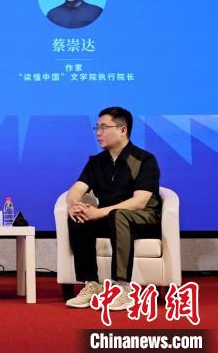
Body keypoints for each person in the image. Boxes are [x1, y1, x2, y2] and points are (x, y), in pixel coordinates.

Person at [65, 107, 162, 310]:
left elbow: (139, 202)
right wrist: (74, 205)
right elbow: (77, 189)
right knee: (79, 217)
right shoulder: (96, 162)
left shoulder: (144, 160)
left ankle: (123, 288)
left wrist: (99, 212)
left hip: (143, 219)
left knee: (119, 215)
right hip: (110, 219)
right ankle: (91, 284)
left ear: (122, 130)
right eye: (96, 128)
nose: (98, 133)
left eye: (103, 127)